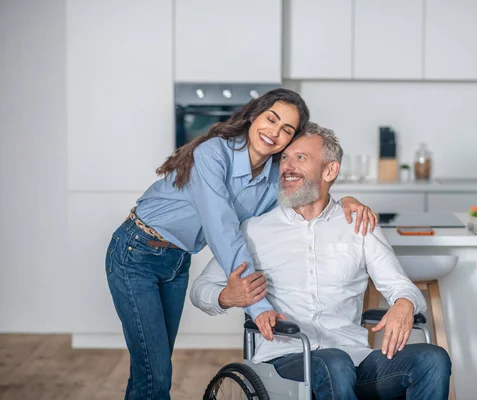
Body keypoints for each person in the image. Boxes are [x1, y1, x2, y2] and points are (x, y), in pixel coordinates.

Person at [104, 89, 377, 400]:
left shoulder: (274, 174)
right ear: (253, 115)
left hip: (176, 260)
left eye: (287, 129)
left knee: (151, 367)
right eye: (271, 119)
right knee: (155, 372)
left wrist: (345, 202)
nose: (274, 132)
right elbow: (222, 229)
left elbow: (306, 194)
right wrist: (259, 306)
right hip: (135, 251)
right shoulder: (212, 154)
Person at [191, 122, 452, 400]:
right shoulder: (254, 230)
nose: (287, 167)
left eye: (300, 158)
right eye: (284, 158)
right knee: (333, 362)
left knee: (432, 358)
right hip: (284, 360)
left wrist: (405, 303)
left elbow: (401, 285)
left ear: (330, 170)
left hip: (354, 360)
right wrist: (225, 296)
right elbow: (200, 289)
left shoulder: (358, 225)